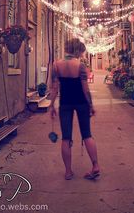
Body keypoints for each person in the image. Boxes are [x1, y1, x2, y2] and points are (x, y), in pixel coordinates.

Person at [49, 38, 100, 180]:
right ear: (77, 50)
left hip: (65, 103)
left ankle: (68, 172)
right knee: (87, 134)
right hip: (81, 103)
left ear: (67, 48)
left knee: (66, 137)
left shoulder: (56, 65)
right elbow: (85, 88)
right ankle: (95, 166)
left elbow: (54, 87)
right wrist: (91, 105)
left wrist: (51, 105)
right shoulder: (80, 66)